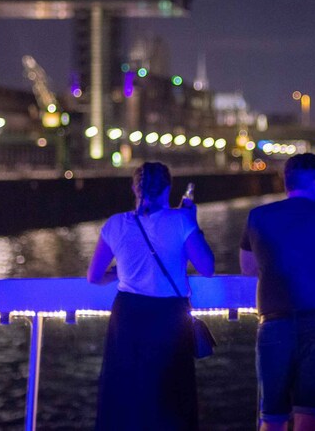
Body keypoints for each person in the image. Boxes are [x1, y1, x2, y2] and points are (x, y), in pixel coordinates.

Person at [87, 162, 215, 431]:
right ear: (168, 188)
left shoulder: (116, 224)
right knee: (170, 393)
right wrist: (192, 220)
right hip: (169, 317)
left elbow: (94, 276)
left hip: (129, 316)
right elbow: (207, 267)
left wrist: (121, 272)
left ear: (135, 187)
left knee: (127, 393)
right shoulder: (181, 221)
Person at [240, 153, 315, 431]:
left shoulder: (258, 216)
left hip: (274, 322)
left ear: (286, 182)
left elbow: (248, 267)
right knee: (309, 417)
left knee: (272, 418)